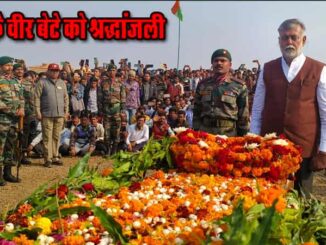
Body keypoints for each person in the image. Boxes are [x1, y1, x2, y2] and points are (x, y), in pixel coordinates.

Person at [250, 19, 326, 196]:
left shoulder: (318, 69)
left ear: (303, 40)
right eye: (285, 38)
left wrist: (323, 149)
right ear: (279, 41)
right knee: (270, 197)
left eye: (294, 37)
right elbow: (257, 109)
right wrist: (253, 140)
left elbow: (325, 114)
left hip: (304, 149)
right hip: (271, 147)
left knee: (302, 198)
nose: (289, 42)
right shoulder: (268, 69)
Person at [193, 49, 250, 136]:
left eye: (223, 60)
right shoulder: (203, 84)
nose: (219, 63)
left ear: (230, 65)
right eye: (216, 61)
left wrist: (243, 136)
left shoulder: (239, 86)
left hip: (229, 134)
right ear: (212, 64)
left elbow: (243, 115)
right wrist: (195, 132)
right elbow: (197, 110)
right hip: (205, 133)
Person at [34, 63, 69, 168]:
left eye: (56, 71)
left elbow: (66, 98)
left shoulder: (62, 83)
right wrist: (38, 112)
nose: (55, 72)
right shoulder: (42, 82)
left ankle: (55, 156)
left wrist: (66, 112)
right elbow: (36, 98)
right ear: (48, 71)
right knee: (47, 137)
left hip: (59, 115)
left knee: (57, 136)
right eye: (52, 70)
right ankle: (48, 158)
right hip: (47, 114)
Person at [0, 56, 25, 185]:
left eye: (11, 65)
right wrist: (11, 110)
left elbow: (21, 98)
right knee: (0, 147)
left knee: (10, 146)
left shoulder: (16, 82)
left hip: (14, 121)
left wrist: (21, 109)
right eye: (7, 65)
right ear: (1, 66)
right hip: (2, 120)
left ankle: (7, 172)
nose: (10, 68)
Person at [98, 64, 126, 156]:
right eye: (110, 70)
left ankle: (114, 150)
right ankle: (108, 150)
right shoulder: (103, 83)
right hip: (106, 110)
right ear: (108, 71)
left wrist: (123, 110)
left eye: (113, 70)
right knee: (107, 131)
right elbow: (100, 98)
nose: (112, 72)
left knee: (116, 131)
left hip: (117, 110)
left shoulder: (120, 83)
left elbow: (123, 97)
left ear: (116, 71)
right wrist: (100, 110)